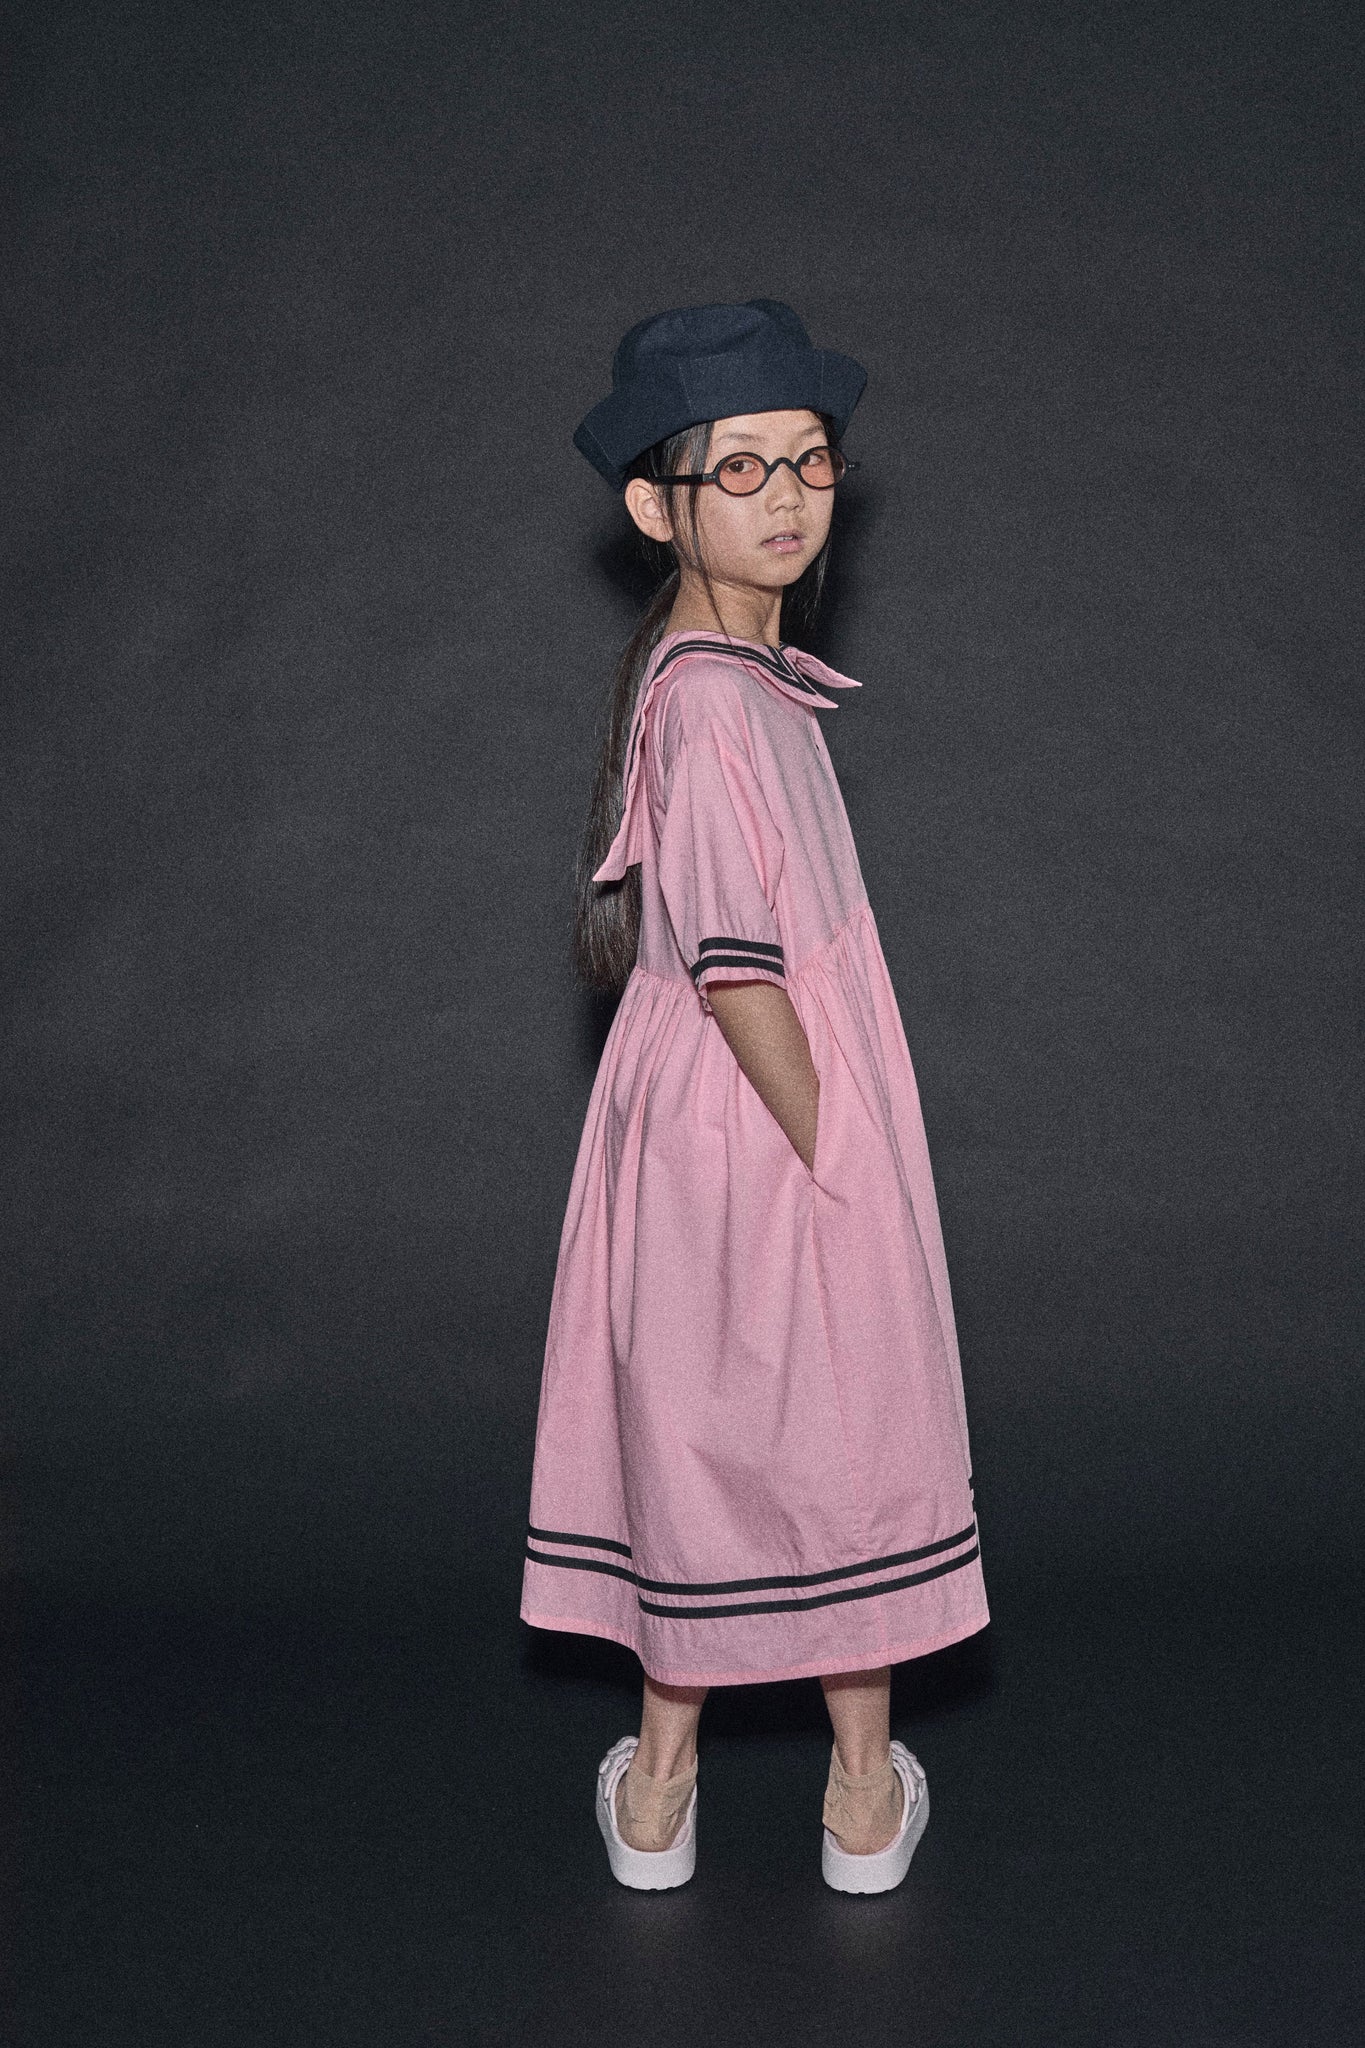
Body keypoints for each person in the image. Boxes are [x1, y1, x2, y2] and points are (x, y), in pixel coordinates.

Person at [521, 300, 988, 1894]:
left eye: (807, 461)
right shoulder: (714, 697)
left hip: (725, 1115)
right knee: (827, 1427)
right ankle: (851, 1792)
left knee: (722, 1433)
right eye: (738, 469)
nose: (785, 496)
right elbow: (737, 974)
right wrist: (837, 1158)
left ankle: (666, 1793)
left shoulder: (724, 676)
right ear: (656, 506)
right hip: (761, 1113)